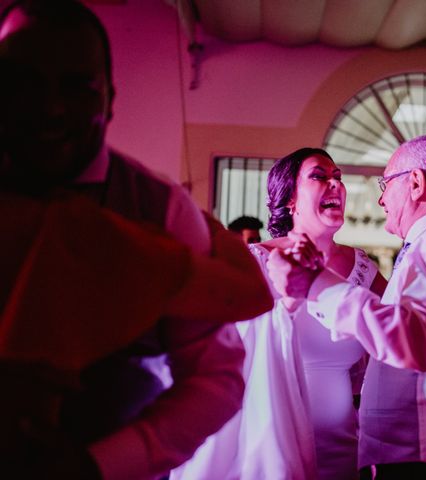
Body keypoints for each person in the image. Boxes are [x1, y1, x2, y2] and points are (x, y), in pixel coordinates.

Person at [0, 1, 267, 477]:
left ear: (110, 98)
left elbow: (216, 378)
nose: (49, 108)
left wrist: (100, 464)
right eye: (23, 83)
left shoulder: (161, 210)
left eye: (75, 87)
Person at [268, 135, 426, 479]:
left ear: (415, 183)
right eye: (321, 176)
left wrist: (317, 285)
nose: (380, 198)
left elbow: (416, 341)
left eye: (386, 183)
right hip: (410, 448)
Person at [173, 148, 386, 480]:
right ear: (290, 199)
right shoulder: (253, 261)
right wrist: (285, 306)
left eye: (338, 177)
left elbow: (394, 336)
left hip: (342, 447)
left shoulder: (363, 270)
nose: (335, 184)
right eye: (319, 176)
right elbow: (220, 346)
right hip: (264, 443)